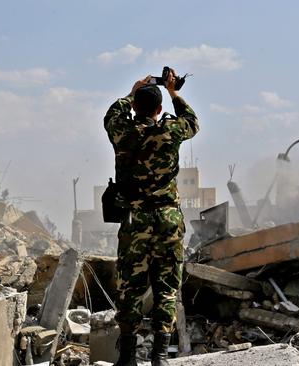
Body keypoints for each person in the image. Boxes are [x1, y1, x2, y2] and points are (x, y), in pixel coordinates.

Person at [103, 70, 199, 366]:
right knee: (167, 288)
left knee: (130, 287)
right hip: (168, 221)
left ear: (135, 107)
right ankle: (160, 356)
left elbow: (111, 116)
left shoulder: (123, 132)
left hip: (135, 220)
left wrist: (132, 93)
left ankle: (128, 357)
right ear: (159, 110)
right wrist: (173, 91)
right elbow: (193, 122)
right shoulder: (170, 132)